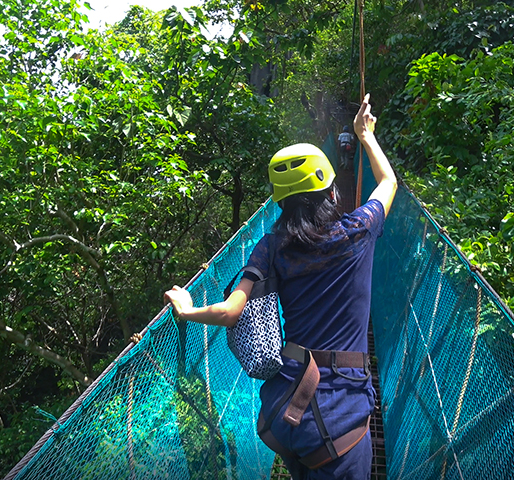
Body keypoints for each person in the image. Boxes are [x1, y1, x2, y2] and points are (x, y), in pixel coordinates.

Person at [164, 93, 397, 480]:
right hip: (339, 418)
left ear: (280, 200)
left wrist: (187, 309)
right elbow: (388, 181)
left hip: (283, 409)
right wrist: (365, 134)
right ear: (331, 190)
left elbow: (231, 311)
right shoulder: (359, 230)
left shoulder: (271, 245)